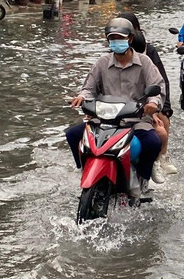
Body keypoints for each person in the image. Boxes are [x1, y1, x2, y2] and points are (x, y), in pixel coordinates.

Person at [66, 18, 164, 191]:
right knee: (73, 135)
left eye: (120, 38)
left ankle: (142, 180)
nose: (116, 42)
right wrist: (82, 97)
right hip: (104, 120)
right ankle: (85, 169)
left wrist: (153, 103)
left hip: (135, 120)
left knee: (152, 143)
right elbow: (89, 88)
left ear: (130, 39)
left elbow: (158, 88)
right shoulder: (102, 63)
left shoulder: (145, 62)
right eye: (112, 39)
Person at [116, 11, 177, 182]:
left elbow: (160, 82)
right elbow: (95, 86)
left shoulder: (148, 56)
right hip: (116, 108)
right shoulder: (109, 58)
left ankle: (157, 161)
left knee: (161, 128)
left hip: (144, 105)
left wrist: (157, 108)